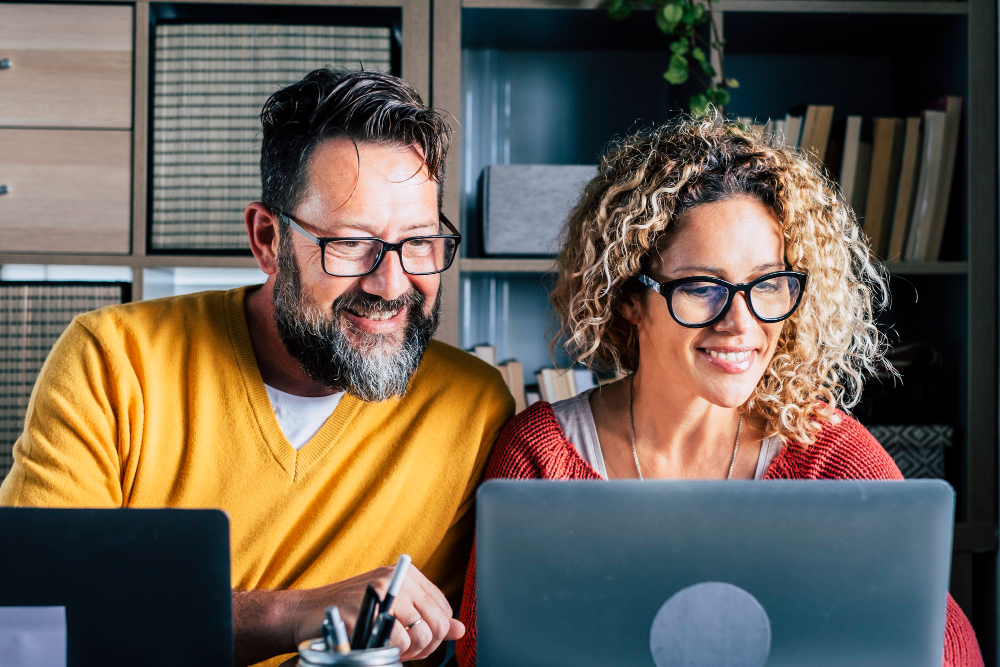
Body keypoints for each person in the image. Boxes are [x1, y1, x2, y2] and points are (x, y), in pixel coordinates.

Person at [0, 68, 513, 667]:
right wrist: (293, 615)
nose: (392, 282)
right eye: (350, 243)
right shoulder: (115, 361)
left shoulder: (473, 405)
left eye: (420, 241)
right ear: (267, 239)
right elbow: (30, 617)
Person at [456, 113, 983, 666]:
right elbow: (481, 651)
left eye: (768, 283)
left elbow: (948, 650)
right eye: (703, 287)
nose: (741, 323)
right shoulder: (541, 454)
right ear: (630, 299)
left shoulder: (827, 452)